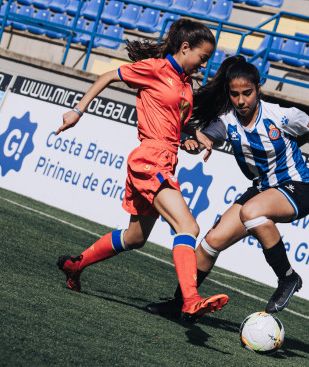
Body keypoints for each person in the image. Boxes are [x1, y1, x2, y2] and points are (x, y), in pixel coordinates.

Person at [56, 19, 229, 321]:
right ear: (185, 48)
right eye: (203, 58)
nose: (204, 65)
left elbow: (175, 119)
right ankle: (190, 300)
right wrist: (78, 111)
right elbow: (109, 76)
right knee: (188, 228)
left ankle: (75, 265)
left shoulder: (186, 84)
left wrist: (192, 136)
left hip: (165, 157)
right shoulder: (155, 68)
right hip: (149, 158)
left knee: (135, 238)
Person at [146, 55, 309, 318]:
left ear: (259, 88)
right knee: (211, 241)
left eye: (247, 93)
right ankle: (181, 304)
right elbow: (207, 139)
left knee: (251, 212)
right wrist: (192, 143)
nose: (241, 101)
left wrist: (295, 146)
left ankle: (287, 278)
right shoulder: (227, 120)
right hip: (263, 188)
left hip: (299, 186)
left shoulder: (280, 115)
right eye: (235, 94)